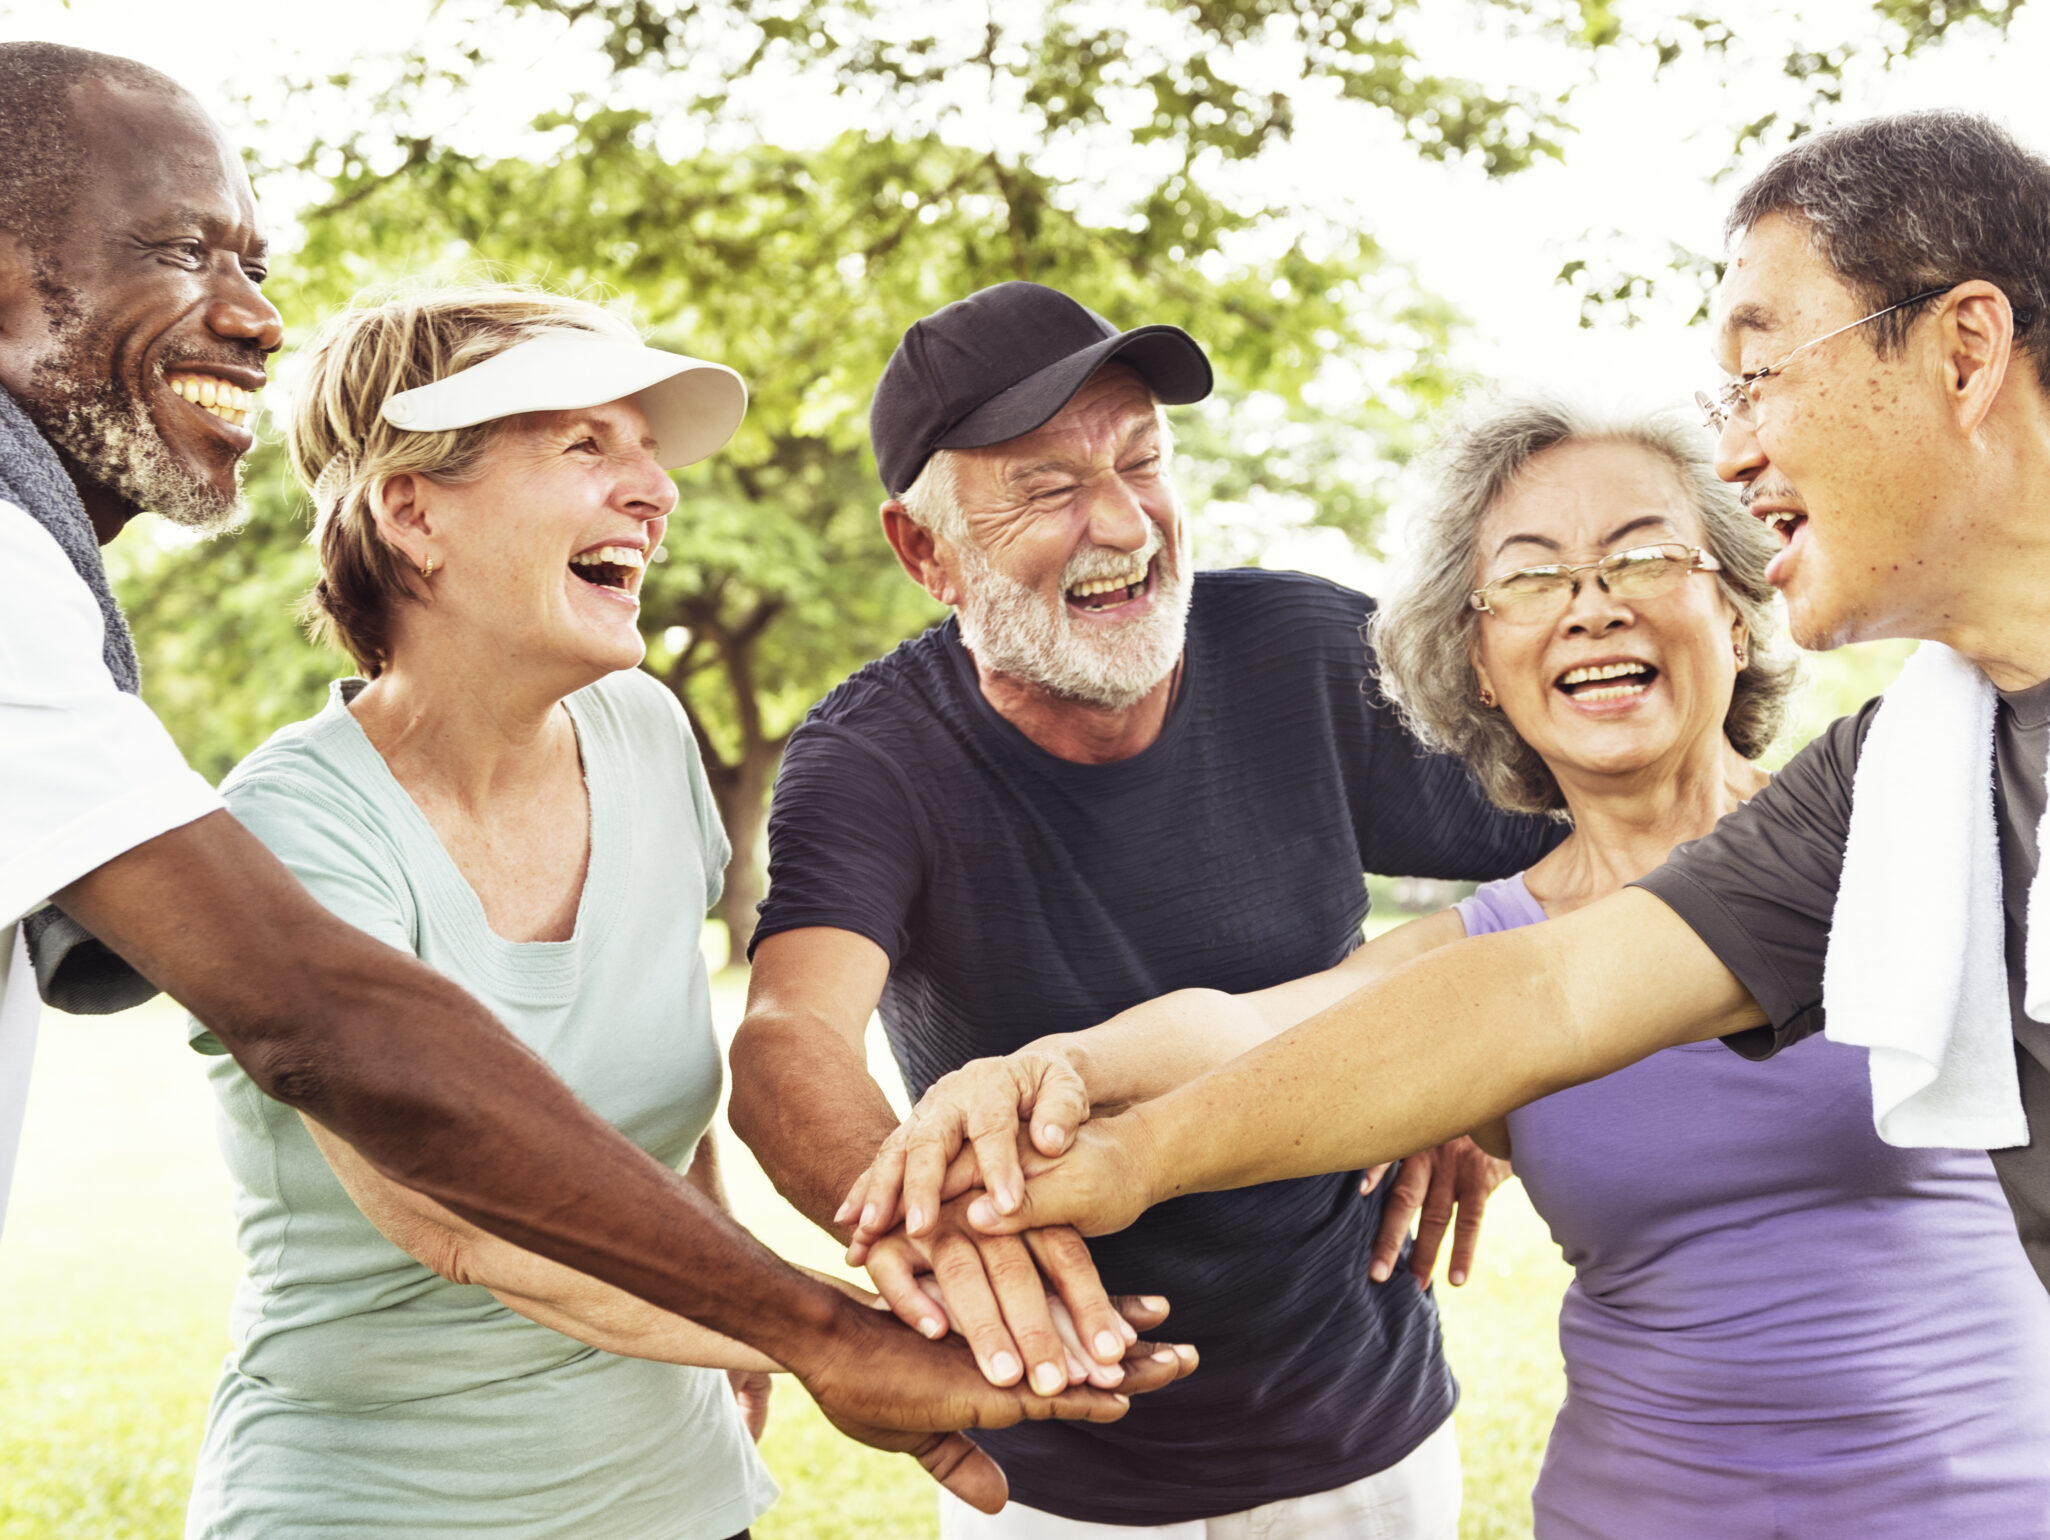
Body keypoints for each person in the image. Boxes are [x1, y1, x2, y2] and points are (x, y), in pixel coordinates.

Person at [0, 44, 1179, 1510]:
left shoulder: (643, 736)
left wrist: (737, 1327)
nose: (654, 484)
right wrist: (826, 1334)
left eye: (646, 447)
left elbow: (656, 1119)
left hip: (687, 1487)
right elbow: (462, 1225)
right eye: (582, 444)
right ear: (413, 513)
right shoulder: (291, 826)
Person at [851, 394, 2050, 1536]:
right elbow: (1248, 1026)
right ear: (1480, 663)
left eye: (1641, 558)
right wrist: (1038, 1068)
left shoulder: (1914, 825)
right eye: (1530, 577)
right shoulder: (1485, 951)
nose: (1590, 606)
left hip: (1988, 1499)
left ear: (1736, 611)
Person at [930, 112, 2050, 1304]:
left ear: (1966, 351)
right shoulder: (1907, 788)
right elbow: (1540, 992)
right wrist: (1119, 1145)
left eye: (1761, 373)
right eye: (1527, 579)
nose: (1734, 451)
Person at [729, 280, 1560, 1537]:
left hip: (1357, 1429)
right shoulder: (873, 755)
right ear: (924, 553)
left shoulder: (1308, 652)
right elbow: (788, 1034)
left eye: (1141, 461)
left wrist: (1454, 1056)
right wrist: (957, 1243)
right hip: (1053, 1458)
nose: (1121, 522)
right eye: (1048, 488)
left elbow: (1602, 836)